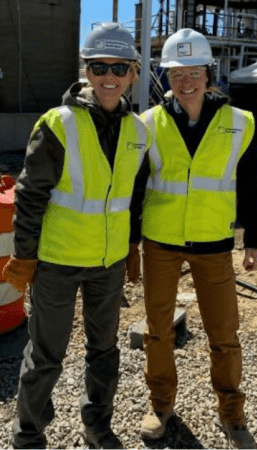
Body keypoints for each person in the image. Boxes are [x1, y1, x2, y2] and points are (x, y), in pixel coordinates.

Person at [3, 23, 149, 449]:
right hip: (57, 263)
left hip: (107, 265)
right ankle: (28, 436)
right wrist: (25, 257)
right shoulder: (58, 124)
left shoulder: (139, 132)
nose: (109, 75)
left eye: (119, 67)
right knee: (46, 357)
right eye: (99, 66)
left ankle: (97, 426)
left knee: (104, 353)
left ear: (133, 73)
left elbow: (132, 198)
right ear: (86, 70)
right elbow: (30, 197)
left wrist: (130, 246)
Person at [134, 28, 257, 449]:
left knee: (224, 333)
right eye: (177, 74)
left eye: (194, 72)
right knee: (158, 329)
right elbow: (136, 186)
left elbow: (254, 183)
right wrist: (127, 242)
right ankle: (161, 406)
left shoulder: (239, 122)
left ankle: (232, 416)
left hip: (213, 243)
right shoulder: (149, 124)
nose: (186, 82)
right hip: (160, 242)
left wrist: (256, 238)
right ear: (167, 78)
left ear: (208, 73)